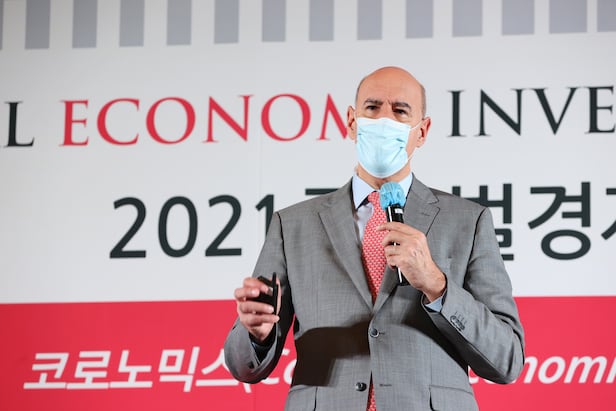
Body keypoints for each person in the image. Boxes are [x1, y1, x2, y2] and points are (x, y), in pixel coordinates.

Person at [224, 66, 525, 410]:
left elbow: (507, 359)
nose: (384, 120)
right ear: (352, 122)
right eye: (372, 108)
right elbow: (243, 366)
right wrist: (257, 334)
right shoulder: (292, 225)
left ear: (422, 131)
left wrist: (437, 285)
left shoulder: (468, 221)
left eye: (400, 111)